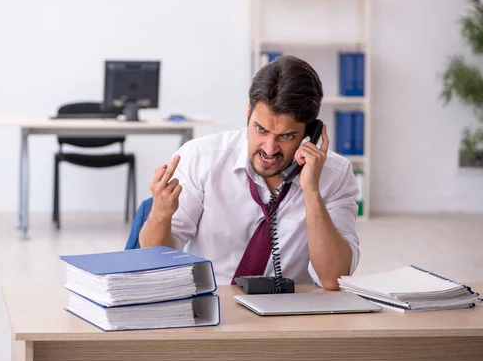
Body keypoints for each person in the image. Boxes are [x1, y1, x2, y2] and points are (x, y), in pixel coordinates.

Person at [139, 55, 360, 290]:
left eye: (286, 136)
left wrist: (312, 191)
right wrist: (161, 215)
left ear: (310, 134)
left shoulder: (335, 174)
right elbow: (155, 265)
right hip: (209, 304)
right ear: (248, 114)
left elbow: (332, 278)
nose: (269, 148)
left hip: (290, 316)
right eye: (260, 129)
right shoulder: (201, 158)